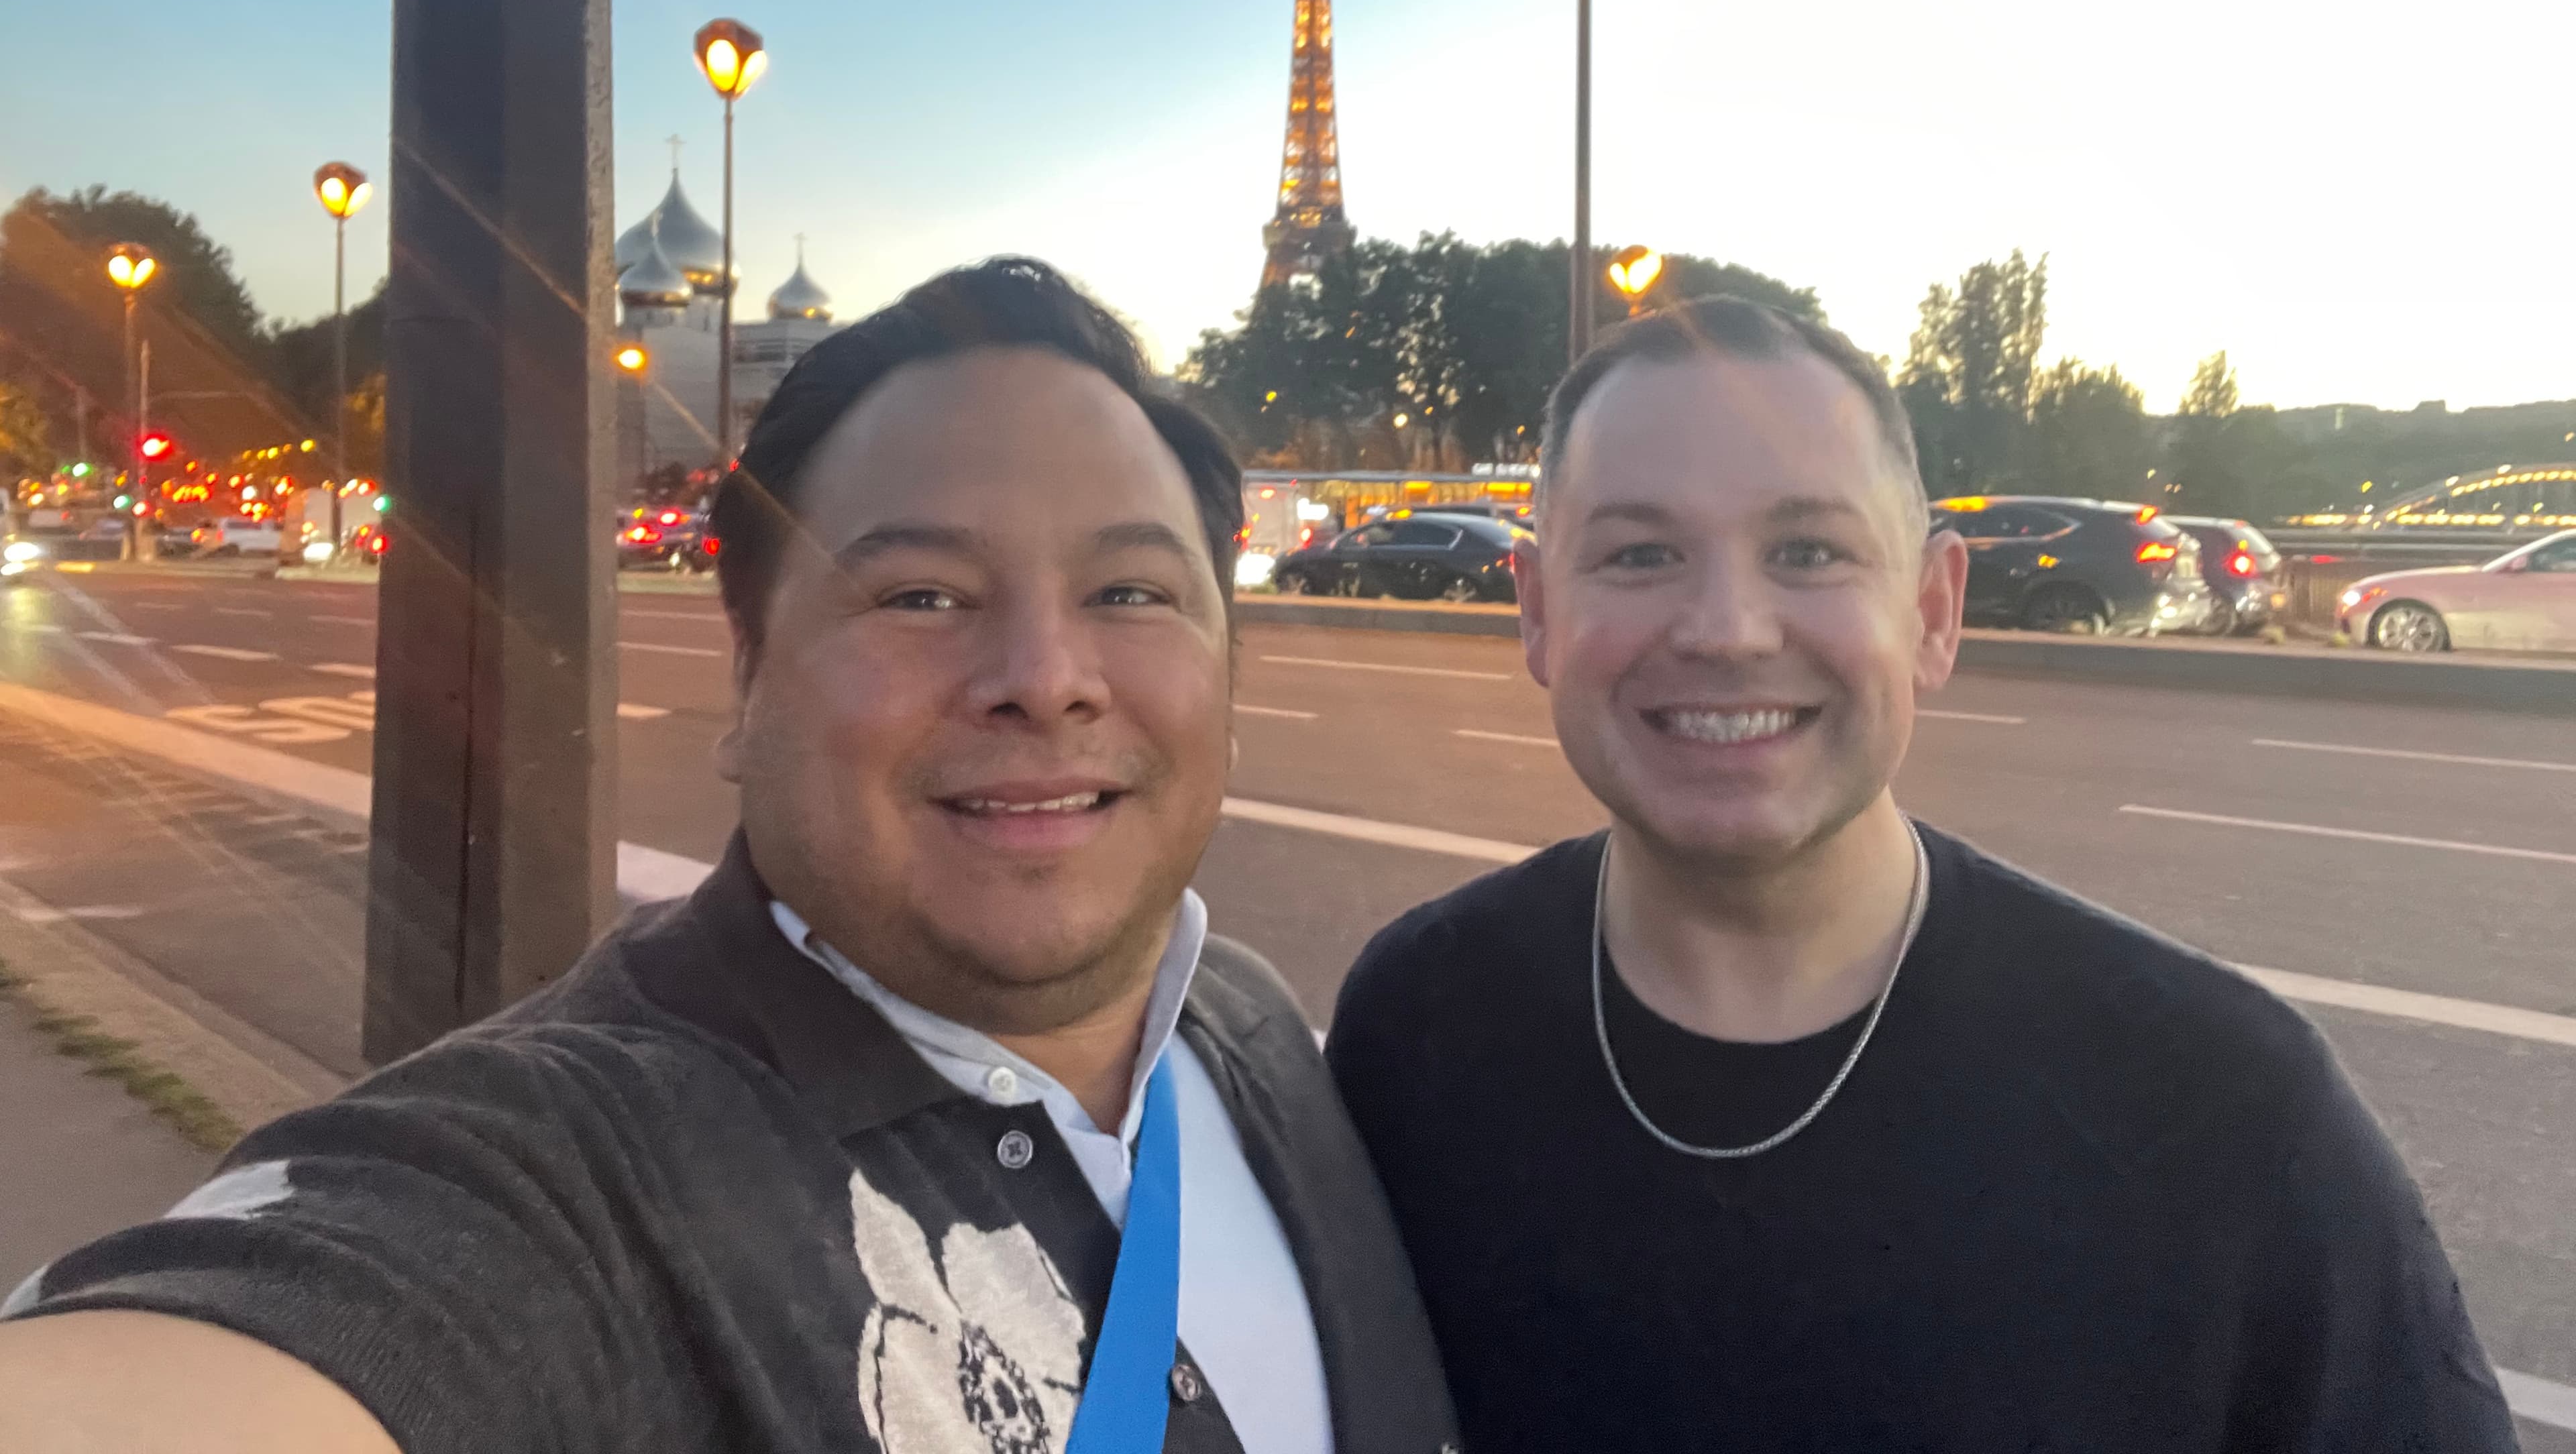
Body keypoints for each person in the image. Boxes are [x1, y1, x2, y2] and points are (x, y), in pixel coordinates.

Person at [0, 258, 1457, 1454]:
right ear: (750, 677)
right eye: (925, 593)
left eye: (1131, 589)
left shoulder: (1257, 1025)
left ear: (1231, 670)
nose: (1046, 674)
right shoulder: (579, 1185)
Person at [1327, 296, 2516, 1452]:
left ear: (1933, 612)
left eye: (1807, 551)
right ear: (1536, 613)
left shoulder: (2219, 1104)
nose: (1729, 628)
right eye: (1640, 554)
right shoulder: (1418, 1025)